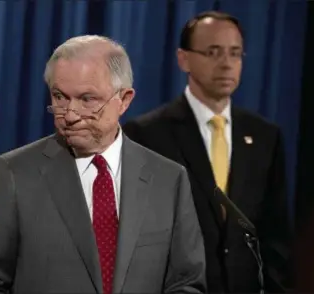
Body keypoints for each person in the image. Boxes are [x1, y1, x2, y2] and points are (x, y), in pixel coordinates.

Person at [0, 35, 207, 294]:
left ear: (124, 99)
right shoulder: (15, 174)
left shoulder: (168, 179)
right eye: (60, 97)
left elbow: (187, 284)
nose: (71, 115)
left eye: (87, 99)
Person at [123, 11, 292, 293]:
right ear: (183, 59)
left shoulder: (265, 136)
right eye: (213, 52)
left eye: (235, 53)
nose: (226, 64)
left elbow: (275, 233)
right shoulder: (147, 134)